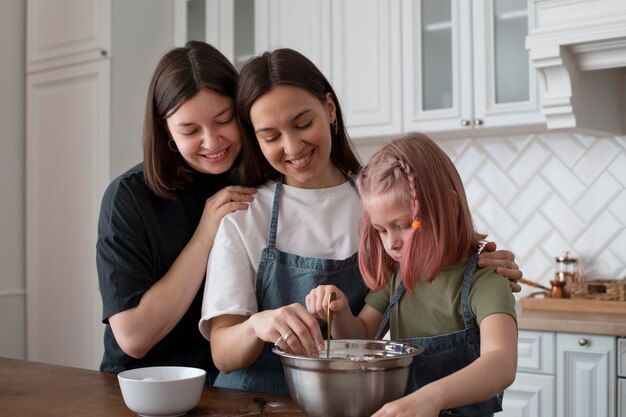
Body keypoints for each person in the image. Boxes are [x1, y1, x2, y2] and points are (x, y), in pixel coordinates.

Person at [199, 48, 521, 395]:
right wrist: (257, 325)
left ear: (330, 109)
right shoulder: (245, 217)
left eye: (303, 123)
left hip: (347, 403)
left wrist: (481, 267)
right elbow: (223, 353)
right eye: (271, 136)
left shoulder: (378, 199)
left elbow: (437, 249)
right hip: (251, 402)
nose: (292, 146)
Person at [306, 133, 518, 417]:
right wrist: (340, 311)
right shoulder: (398, 277)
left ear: (450, 206)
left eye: (405, 225)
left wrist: (432, 397)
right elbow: (362, 338)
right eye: (380, 230)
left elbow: (501, 362)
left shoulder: (485, 279)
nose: (391, 242)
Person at [96, 41, 256, 379]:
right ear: (165, 128)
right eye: (190, 130)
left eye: (223, 120)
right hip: (140, 386)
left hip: (226, 385)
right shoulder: (128, 198)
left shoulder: (256, 181)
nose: (212, 142)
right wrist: (204, 235)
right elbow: (133, 336)